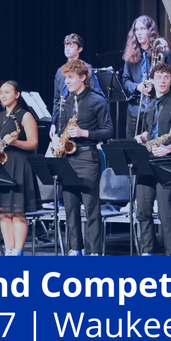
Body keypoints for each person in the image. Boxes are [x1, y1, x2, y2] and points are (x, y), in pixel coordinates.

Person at [54, 60, 114, 255]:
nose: (67, 82)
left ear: (82, 77)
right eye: (65, 78)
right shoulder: (66, 101)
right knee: (70, 208)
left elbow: (109, 131)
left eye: (70, 78)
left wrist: (83, 133)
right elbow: (63, 128)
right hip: (67, 158)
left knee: (91, 208)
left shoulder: (98, 100)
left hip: (88, 157)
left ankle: (95, 252)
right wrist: (57, 139)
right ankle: (75, 250)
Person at [134, 62, 171, 255]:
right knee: (142, 211)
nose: (162, 80)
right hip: (147, 161)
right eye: (158, 76)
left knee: (166, 213)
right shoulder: (150, 105)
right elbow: (150, 132)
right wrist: (143, 137)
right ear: (152, 80)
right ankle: (147, 253)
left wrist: (168, 148)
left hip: (167, 162)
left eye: (166, 77)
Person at [0, 81, 39, 256]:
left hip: (18, 165)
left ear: (17, 95)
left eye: (7, 92)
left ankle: (18, 251)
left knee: (17, 212)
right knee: (3, 213)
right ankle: (9, 250)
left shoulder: (25, 116)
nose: (3, 95)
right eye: (1, 92)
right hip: (1, 166)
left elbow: (33, 143)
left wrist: (15, 142)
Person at [122, 15, 171, 138]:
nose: (139, 33)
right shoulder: (130, 56)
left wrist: (157, 84)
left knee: (153, 141)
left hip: (155, 104)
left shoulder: (164, 54)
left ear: (150, 31)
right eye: (136, 30)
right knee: (132, 144)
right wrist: (138, 86)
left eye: (142, 29)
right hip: (135, 107)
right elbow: (124, 81)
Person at [51, 33, 102, 134]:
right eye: (66, 45)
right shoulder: (59, 71)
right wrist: (53, 123)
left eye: (71, 46)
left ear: (80, 49)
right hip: (63, 116)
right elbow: (57, 99)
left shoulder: (86, 69)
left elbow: (96, 93)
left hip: (80, 115)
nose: (67, 48)